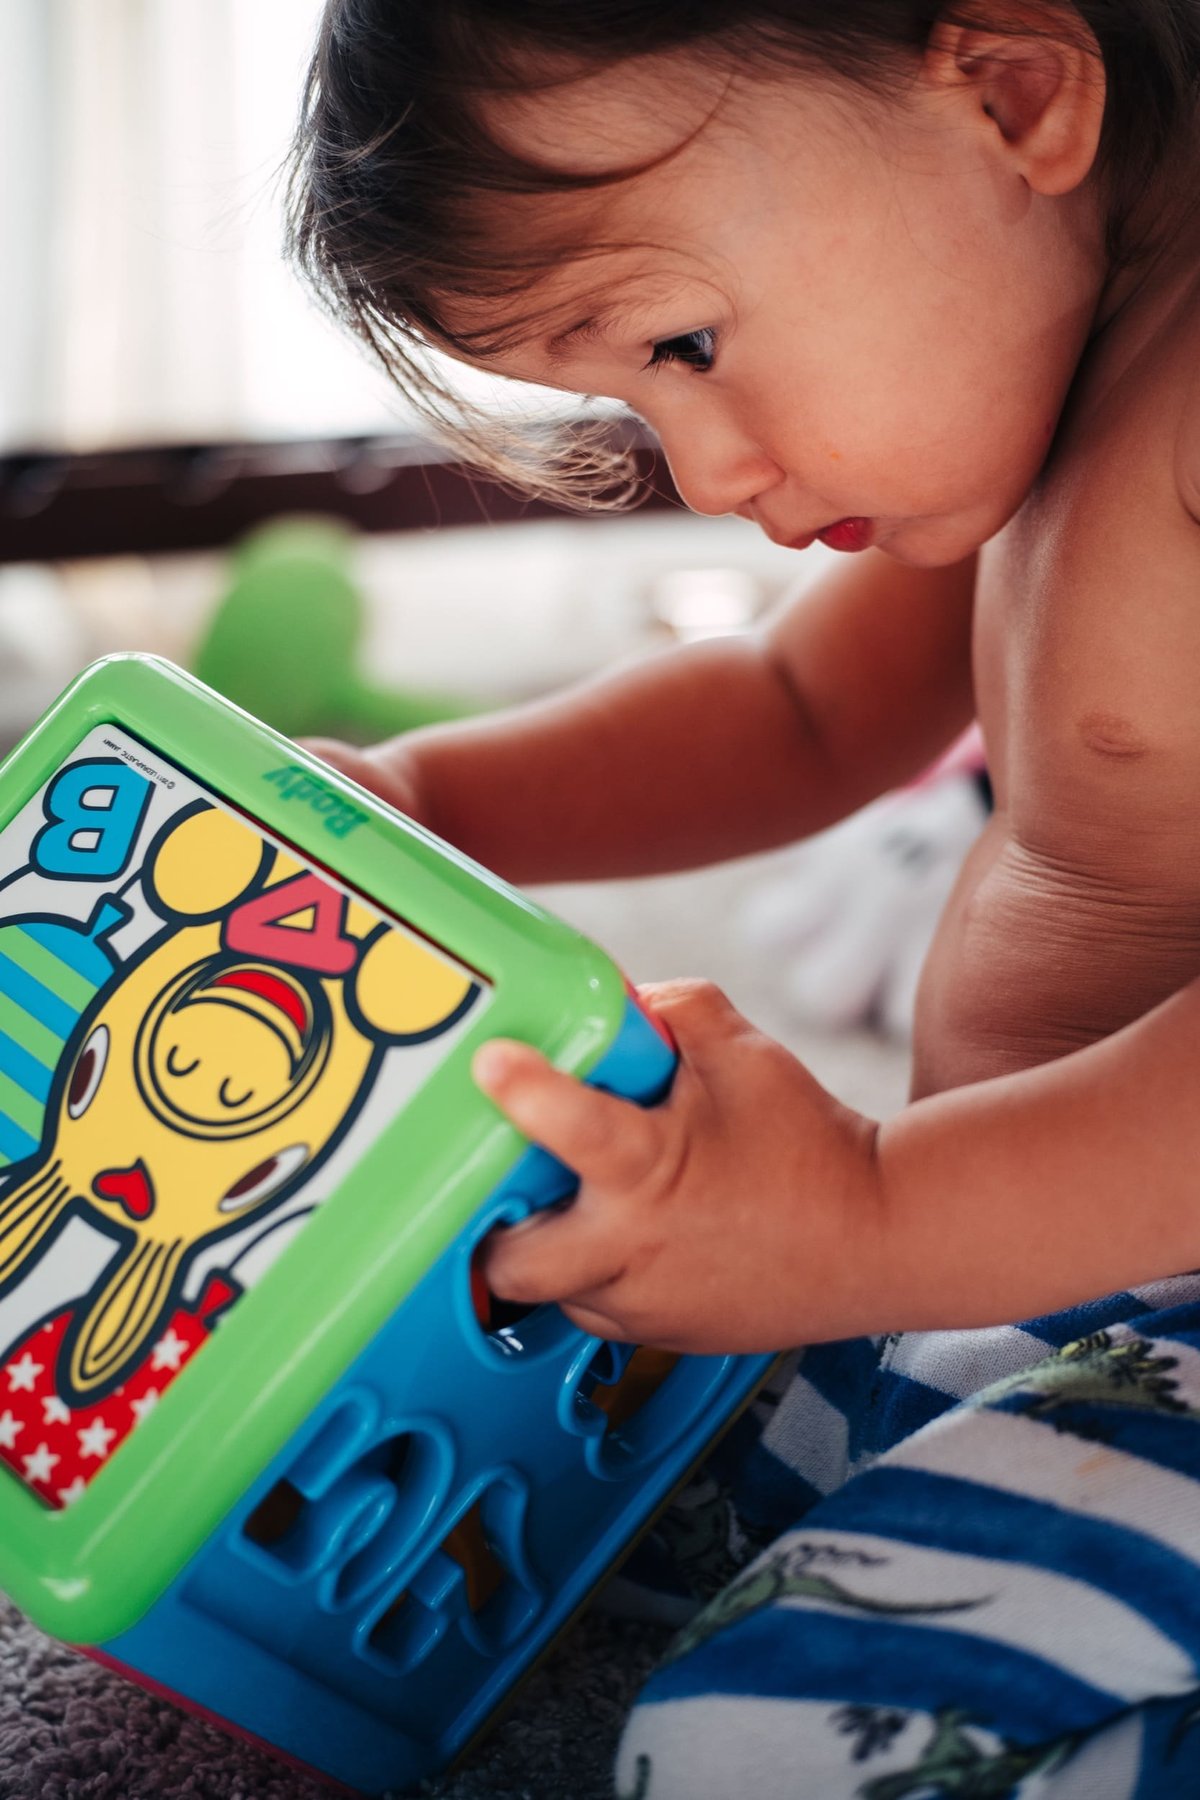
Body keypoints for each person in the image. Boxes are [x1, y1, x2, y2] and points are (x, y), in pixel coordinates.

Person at [285, 5, 1200, 1793]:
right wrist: (418, 804)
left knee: (771, 1742)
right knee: (548, 1477)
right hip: (1003, 1272)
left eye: (687, 341)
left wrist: (862, 1207)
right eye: (634, 396)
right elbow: (796, 713)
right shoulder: (1048, 383)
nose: (706, 474)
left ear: (1014, 93)